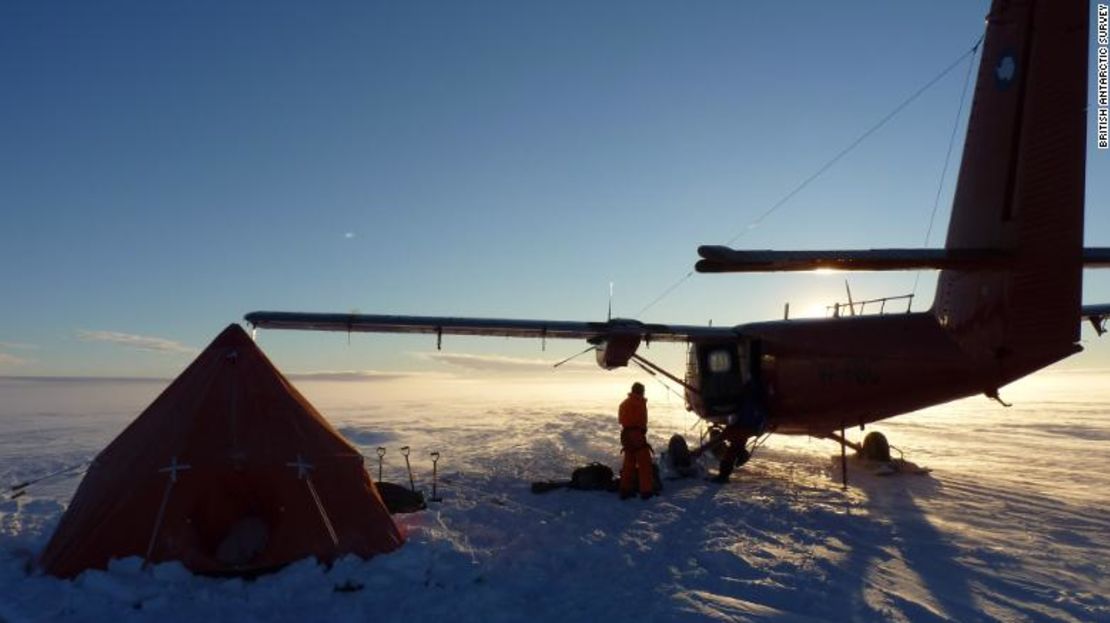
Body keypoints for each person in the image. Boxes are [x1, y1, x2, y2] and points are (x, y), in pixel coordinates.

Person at [618, 382, 655, 500]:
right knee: (645, 463)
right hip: (636, 434)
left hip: (625, 434)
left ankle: (625, 490)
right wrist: (641, 432)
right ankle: (646, 491)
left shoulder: (624, 403)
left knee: (629, 462)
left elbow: (621, 420)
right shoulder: (639, 402)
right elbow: (641, 420)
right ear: (640, 391)